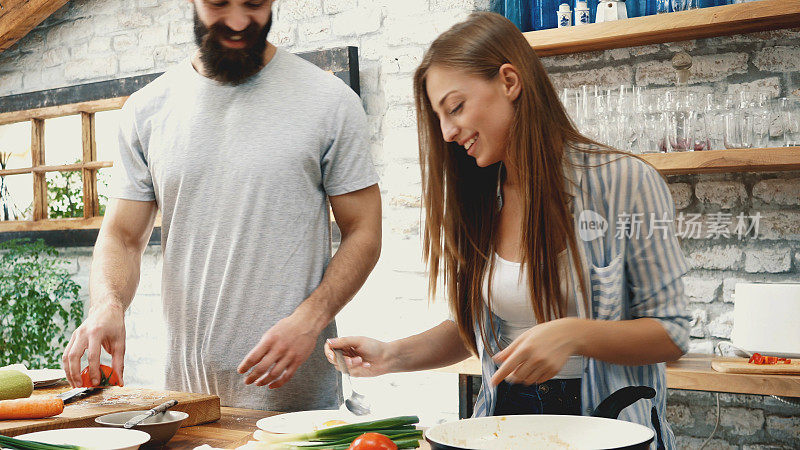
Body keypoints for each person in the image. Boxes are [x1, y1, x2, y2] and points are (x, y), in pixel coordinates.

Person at [325, 11, 689, 447]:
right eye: (440, 117)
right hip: (503, 421)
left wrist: (573, 333)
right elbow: (475, 332)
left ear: (510, 82)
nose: (446, 132)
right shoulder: (480, 197)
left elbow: (671, 333)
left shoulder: (624, 181)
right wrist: (390, 355)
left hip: (606, 422)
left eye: (455, 107)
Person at [62, 0, 381, 412]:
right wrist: (108, 302)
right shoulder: (146, 111)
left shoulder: (330, 102)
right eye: (218, 3)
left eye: (254, 3)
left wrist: (310, 319)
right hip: (190, 402)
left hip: (297, 410)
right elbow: (122, 236)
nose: (237, 21)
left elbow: (364, 231)